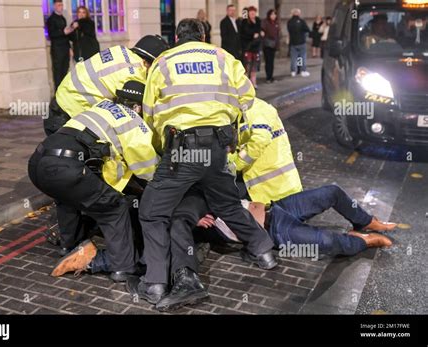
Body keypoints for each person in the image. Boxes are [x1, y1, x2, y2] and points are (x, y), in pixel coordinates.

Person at [128, 18, 277, 307]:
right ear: (204, 36)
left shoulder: (163, 61)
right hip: (219, 148)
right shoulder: (223, 57)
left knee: (151, 211)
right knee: (227, 205)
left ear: (177, 38)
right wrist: (226, 128)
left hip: (182, 150)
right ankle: (264, 251)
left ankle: (156, 283)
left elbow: (150, 113)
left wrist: (163, 150)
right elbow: (247, 99)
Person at [29, 81, 158, 282]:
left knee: (67, 198)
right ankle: (123, 267)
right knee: (114, 208)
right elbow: (148, 170)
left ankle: (69, 246)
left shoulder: (101, 106)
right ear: (138, 106)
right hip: (67, 167)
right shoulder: (133, 121)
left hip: (38, 162)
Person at [199, 185, 396, 259]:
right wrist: (195, 220)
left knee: (331, 192)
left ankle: (365, 221)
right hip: (274, 231)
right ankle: (364, 241)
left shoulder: (209, 184)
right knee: (328, 242)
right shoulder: (192, 216)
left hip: (276, 208)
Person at [54, 35, 169, 120]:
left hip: (59, 99)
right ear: (146, 62)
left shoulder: (119, 50)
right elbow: (133, 119)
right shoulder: (135, 74)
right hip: (71, 112)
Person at [47, 0, 72, 91]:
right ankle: (58, 95)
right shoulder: (51, 19)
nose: (61, 7)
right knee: (58, 73)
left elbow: (67, 36)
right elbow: (52, 34)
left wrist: (69, 48)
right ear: (54, 6)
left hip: (65, 48)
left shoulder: (63, 18)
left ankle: (64, 93)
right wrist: (63, 32)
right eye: (59, 5)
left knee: (65, 71)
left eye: (61, 5)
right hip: (57, 50)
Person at [240, 6, 263, 88]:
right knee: (247, 66)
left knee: (254, 67)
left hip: (256, 47)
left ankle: (253, 83)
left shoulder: (258, 20)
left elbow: (260, 31)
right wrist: (254, 34)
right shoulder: (245, 22)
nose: (253, 14)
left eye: (254, 13)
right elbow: (246, 33)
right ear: (248, 13)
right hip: (248, 47)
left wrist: (258, 34)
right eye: (251, 13)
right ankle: (246, 84)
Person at [287, 8, 310, 77]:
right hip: (301, 42)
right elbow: (307, 29)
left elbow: (289, 30)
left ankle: (293, 71)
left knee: (294, 58)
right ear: (298, 13)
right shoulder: (301, 21)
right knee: (301, 57)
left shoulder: (289, 22)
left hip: (293, 42)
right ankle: (302, 70)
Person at [261, 9, 280, 83]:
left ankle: (271, 76)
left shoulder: (276, 23)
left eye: (274, 14)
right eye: (272, 14)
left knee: (271, 62)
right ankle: (268, 77)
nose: (273, 16)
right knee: (268, 61)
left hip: (274, 45)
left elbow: (277, 34)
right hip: (267, 45)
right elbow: (263, 31)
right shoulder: (265, 22)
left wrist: (277, 44)